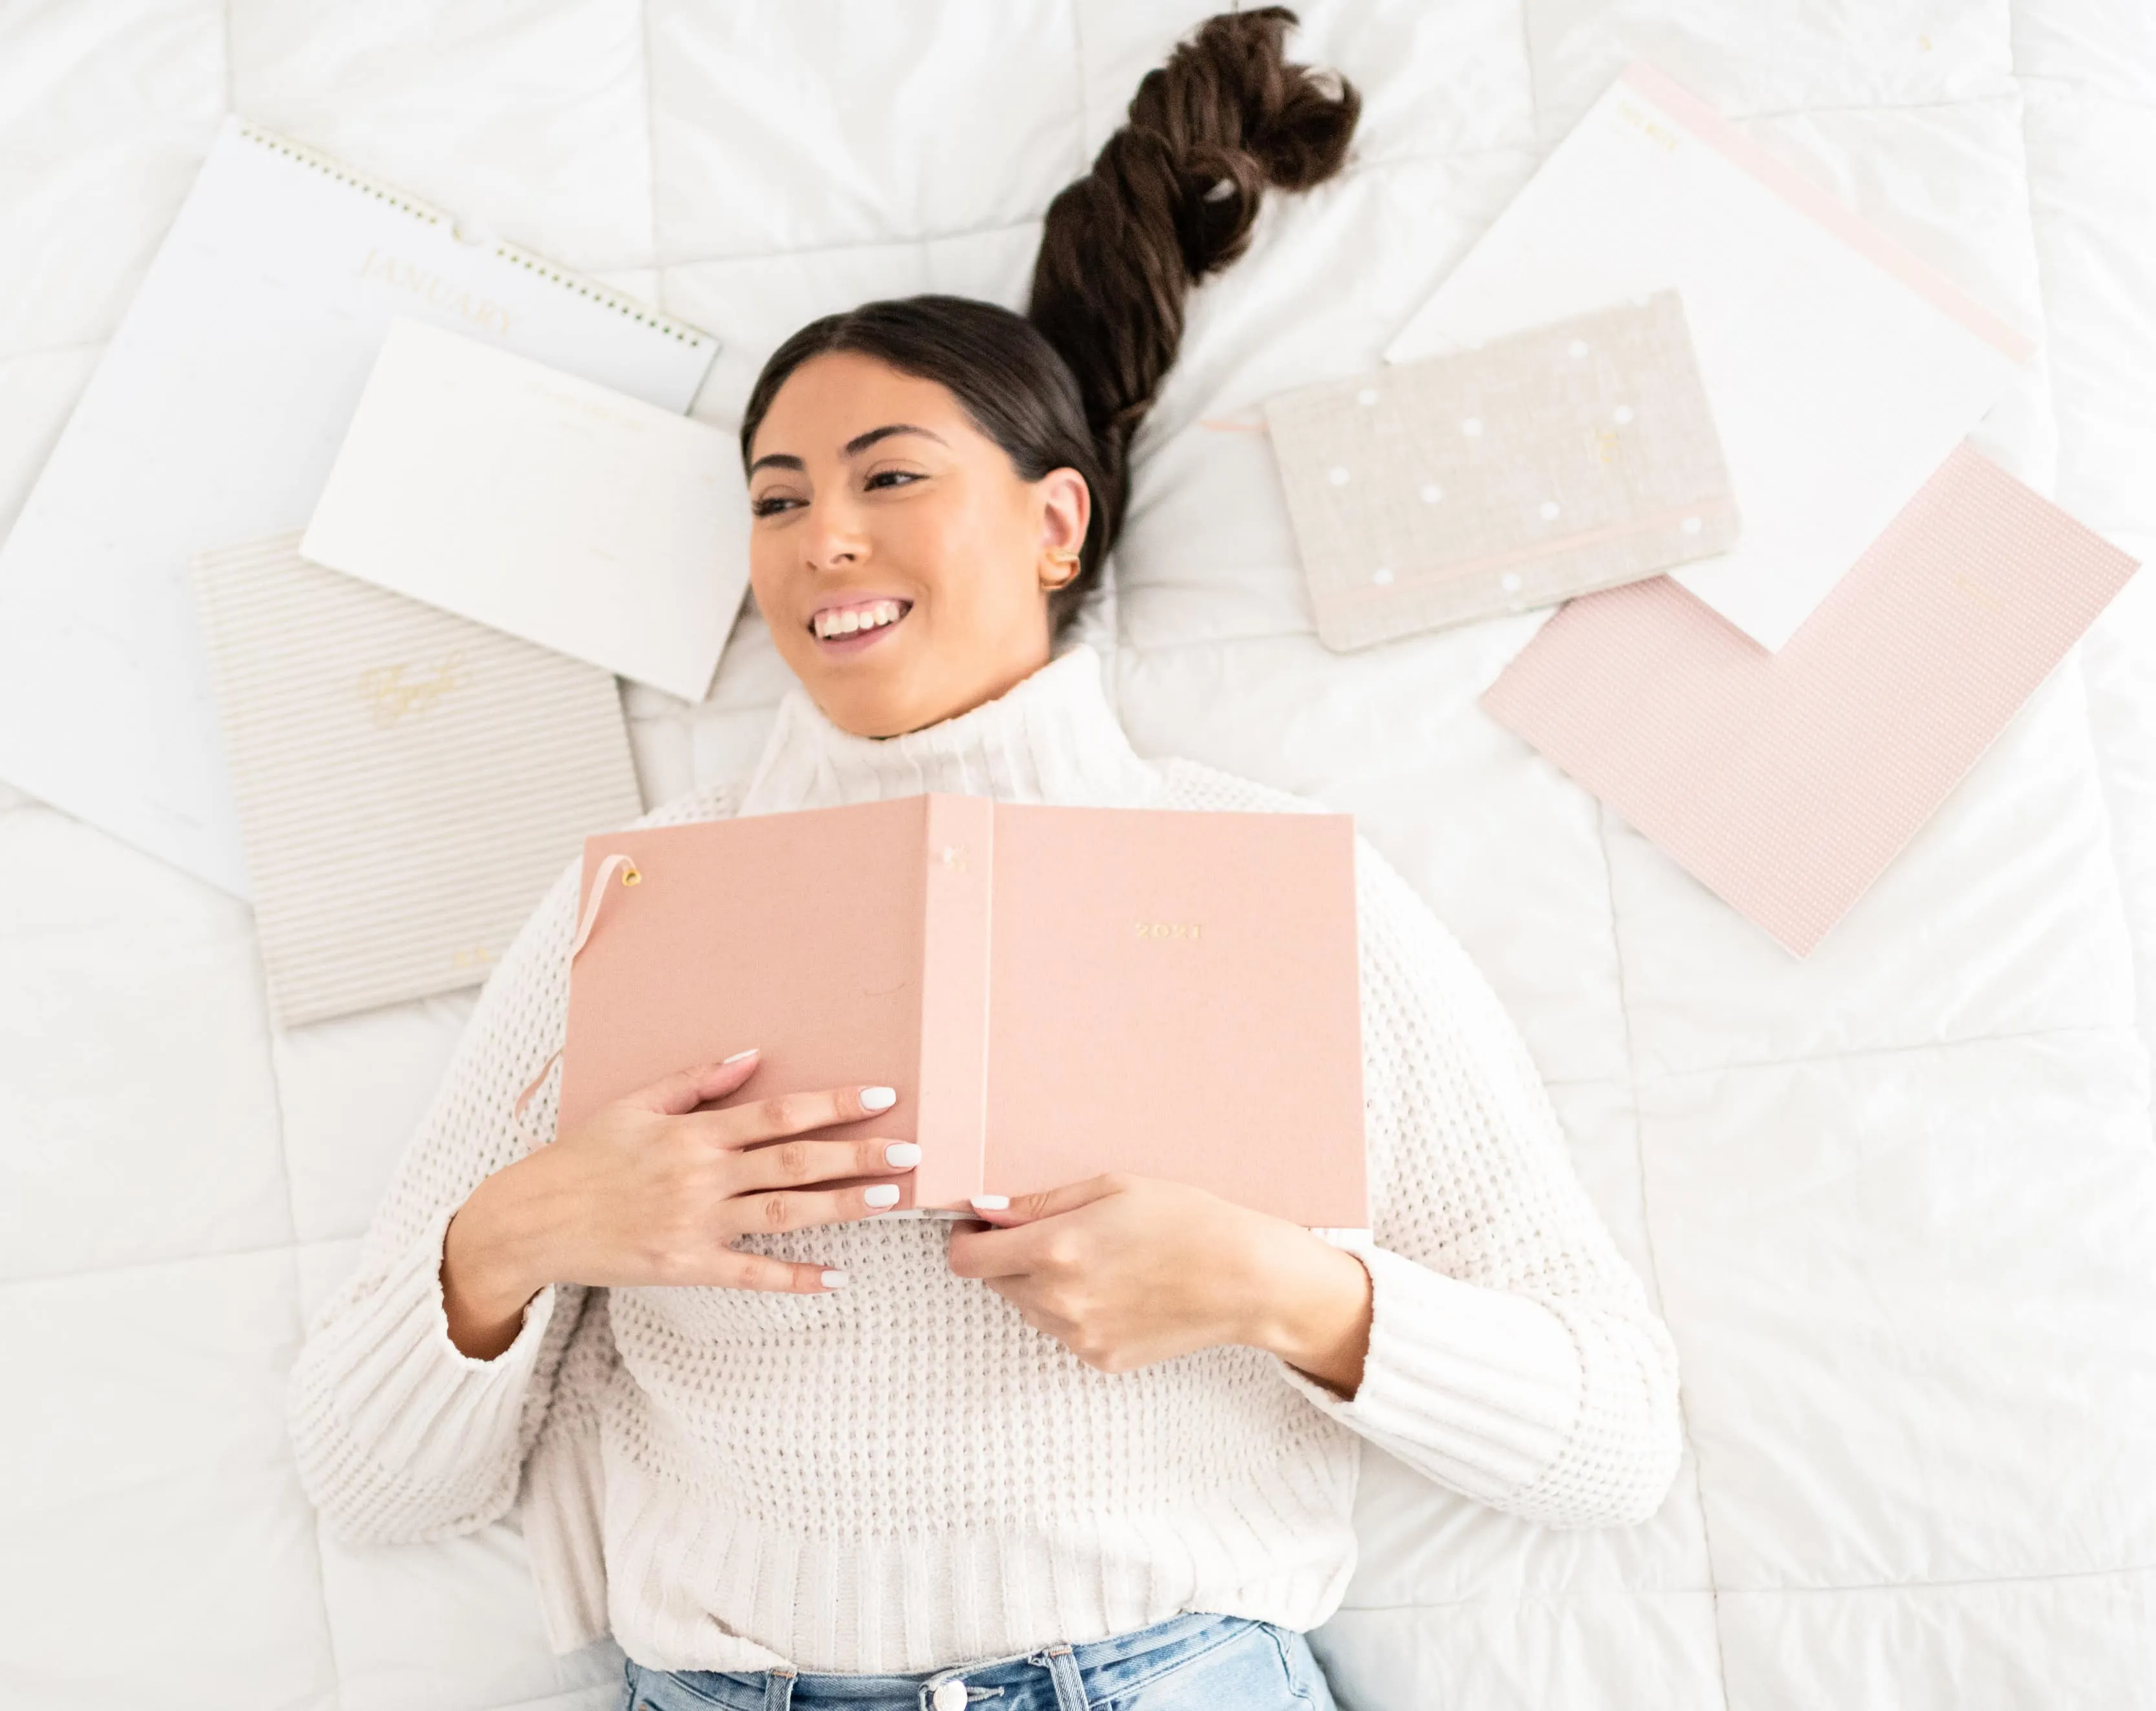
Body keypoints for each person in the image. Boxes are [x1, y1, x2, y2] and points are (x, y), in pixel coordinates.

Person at [289, 11, 1683, 1708]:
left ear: (1054, 517)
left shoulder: (1264, 877)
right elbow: (370, 1485)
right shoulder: (648, 889)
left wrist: (1276, 1286)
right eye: (778, 497)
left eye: (889, 477)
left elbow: (1612, 1434)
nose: (827, 540)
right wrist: (516, 1234)